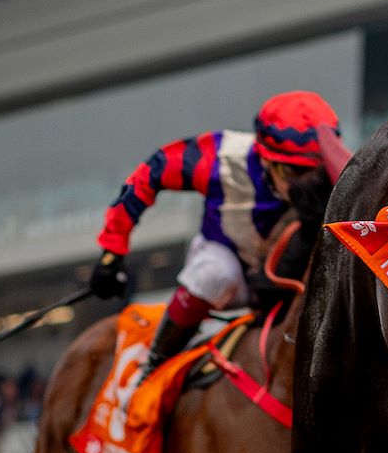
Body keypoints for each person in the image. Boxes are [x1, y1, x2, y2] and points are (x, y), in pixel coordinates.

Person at [85, 91, 352, 373]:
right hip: (229, 265)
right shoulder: (219, 157)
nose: (304, 183)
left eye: (314, 172)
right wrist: (112, 252)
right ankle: (153, 365)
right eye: (291, 172)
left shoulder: (342, 177)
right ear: (266, 160)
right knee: (215, 274)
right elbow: (148, 176)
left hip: (285, 281)